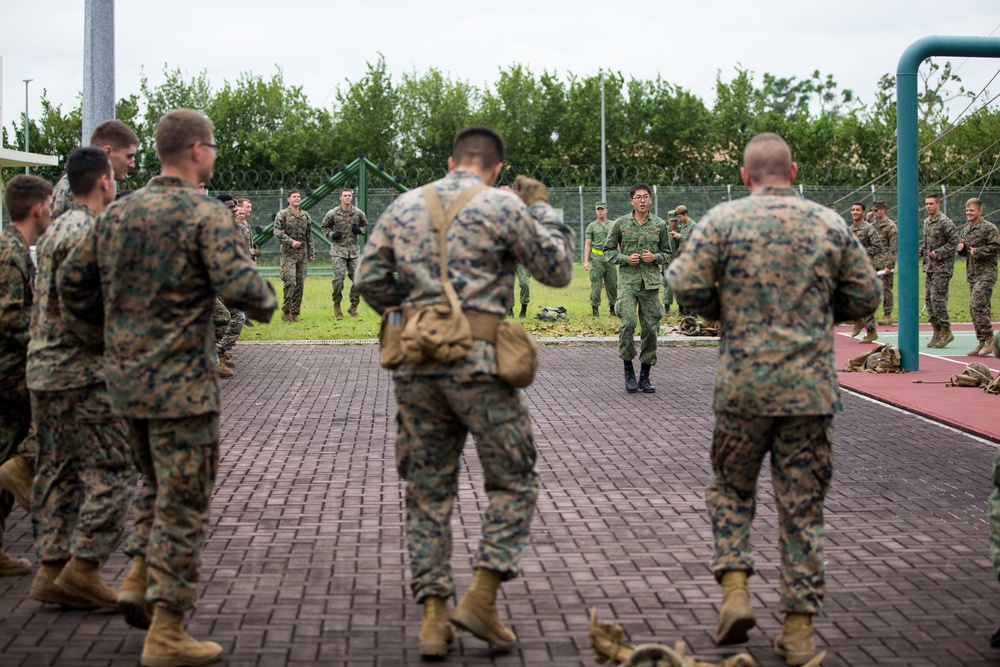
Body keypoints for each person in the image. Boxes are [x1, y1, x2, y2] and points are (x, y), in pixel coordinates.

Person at [59, 108, 276, 666]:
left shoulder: (116, 213)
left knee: (154, 486)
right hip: (184, 388)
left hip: (125, 384)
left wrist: (106, 340)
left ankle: (136, 574)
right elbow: (249, 293)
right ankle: (168, 630)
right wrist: (264, 297)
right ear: (198, 151)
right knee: (184, 503)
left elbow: (72, 288)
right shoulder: (205, 215)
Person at [355, 126, 573, 659]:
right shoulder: (503, 205)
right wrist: (541, 210)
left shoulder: (405, 205)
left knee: (427, 490)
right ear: (496, 168)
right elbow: (558, 269)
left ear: (451, 160)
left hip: (417, 366)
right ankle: (481, 596)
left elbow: (368, 279)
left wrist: (416, 314)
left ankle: (433, 618)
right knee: (514, 481)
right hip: (480, 366)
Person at [667, 133, 880, 666]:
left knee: (733, 491)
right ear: (794, 170)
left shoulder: (722, 220)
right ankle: (800, 630)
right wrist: (816, 310)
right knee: (802, 510)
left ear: (746, 176)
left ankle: (735, 589)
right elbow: (867, 296)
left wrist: (725, 309)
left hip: (743, 389)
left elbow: (686, 286)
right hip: (809, 392)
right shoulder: (828, 223)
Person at [25, 147, 137, 610]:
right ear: (105, 181)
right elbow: (91, 302)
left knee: (57, 468)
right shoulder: (93, 232)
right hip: (83, 372)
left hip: (45, 370)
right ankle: (84, 567)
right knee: (113, 468)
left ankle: (51, 569)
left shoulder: (57, 229)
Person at [0, 174, 52, 576]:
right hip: (10, 370)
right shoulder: (10, 252)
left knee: (7, 454)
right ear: (38, 209)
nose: (53, 211)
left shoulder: (16, 248)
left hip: (14, 367)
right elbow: (8, 316)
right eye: (50, 204)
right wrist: (45, 337)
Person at [603, 183, 671, 394]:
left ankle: (645, 376)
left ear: (650, 200)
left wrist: (655, 257)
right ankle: (628, 370)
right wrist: (624, 258)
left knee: (651, 328)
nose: (642, 200)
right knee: (628, 323)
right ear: (631, 200)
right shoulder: (620, 224)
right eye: (638, 197)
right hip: (627, 283)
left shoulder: (660, 224)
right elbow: (607, 251)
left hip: (650, 283)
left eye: (646, 197)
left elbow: (668, 253)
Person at [51, 119, 139, 219]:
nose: (132, 165)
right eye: (129, 157)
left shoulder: (80, 182)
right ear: (107, 153)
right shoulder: (79, 187)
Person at [956, 198, 1000, 356]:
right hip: (973, 274)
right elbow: (966, 251)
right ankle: (981, 341)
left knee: (977, 305)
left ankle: (990, 339)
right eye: (967, 210)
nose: (968, 213)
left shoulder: (989, 228)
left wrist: (978, 251)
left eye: (972, 210)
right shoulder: (967, 228)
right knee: (974, 309)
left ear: (980, 211)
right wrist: (961, 250)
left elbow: (996, 247)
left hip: (986, 273)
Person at [320, 188, 367, 319]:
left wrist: (360, 230)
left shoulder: (358, 213)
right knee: (339, 278)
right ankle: (337, 304)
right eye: (345, 195)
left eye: (349, 195)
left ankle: (353, 306)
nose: (347, 197)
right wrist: (332, 234)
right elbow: (324, 227)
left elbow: (365, 226)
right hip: (338, 250)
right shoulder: (333, 213)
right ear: (340, 197)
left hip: (353, 251)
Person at [922, 193, 959, 348]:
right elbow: (927, 243)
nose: (928, 206)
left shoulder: (945, 222)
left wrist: (940, 252)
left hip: (942, 268)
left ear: (938, 204)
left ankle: (946, 331)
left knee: (938, 299)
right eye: (926, 204)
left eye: (931, 203)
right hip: (930, 267)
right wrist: (922, 252)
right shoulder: (927, 222)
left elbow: (954, 241)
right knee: (929, 301)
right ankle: (937, 331)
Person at [273, 189, 314, 322]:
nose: (297, 199)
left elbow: (309, 235)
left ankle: (295, 313)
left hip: (302, 254)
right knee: (290, 282)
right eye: (294, 197)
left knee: (300, 284)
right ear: (288, 199)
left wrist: (311, 252)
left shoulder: (305, 215)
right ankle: (286, 310)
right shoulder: (283, 214)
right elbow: (277, 231)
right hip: (288, 254)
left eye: (298, 197)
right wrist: (291, 242)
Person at [847, 202, 883, 344]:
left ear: (863, 213)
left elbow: (877, 246)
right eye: (853, 209)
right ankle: (858, 320)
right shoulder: (849, 229)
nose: (854, 212)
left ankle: (871, 331)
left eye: (858, 210)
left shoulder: (869, 229)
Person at [584, 202, 617, 317]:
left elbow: (617, 242)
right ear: (596, 211)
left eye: (602, 209)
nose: (600, 211)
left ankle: (613, 309)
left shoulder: (613, 225)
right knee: (596, 285)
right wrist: (586, 261)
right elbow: (588, 244)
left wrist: (621, 258)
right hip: (597, 258)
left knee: (612, 285)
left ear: (606, 210)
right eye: (598, 209)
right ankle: (595, 309)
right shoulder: (592, 226)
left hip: (610, 258)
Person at [870, 202, 898, 325]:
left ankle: (887, 314)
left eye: (876, 211)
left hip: (884, 261)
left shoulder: (890, 226)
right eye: (873, 211)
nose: (874, 213)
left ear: (883, 211)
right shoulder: (874, 225)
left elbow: (893, 247)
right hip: (873, 261)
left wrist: (889, 265)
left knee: (885, 289)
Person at [666, 205, 695, 317]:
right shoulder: (683, 226)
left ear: (685, 215)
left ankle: (691, 311)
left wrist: (679, 236)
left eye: (679, 217)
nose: (678, 220)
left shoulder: (693, 226)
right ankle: (684, 310)